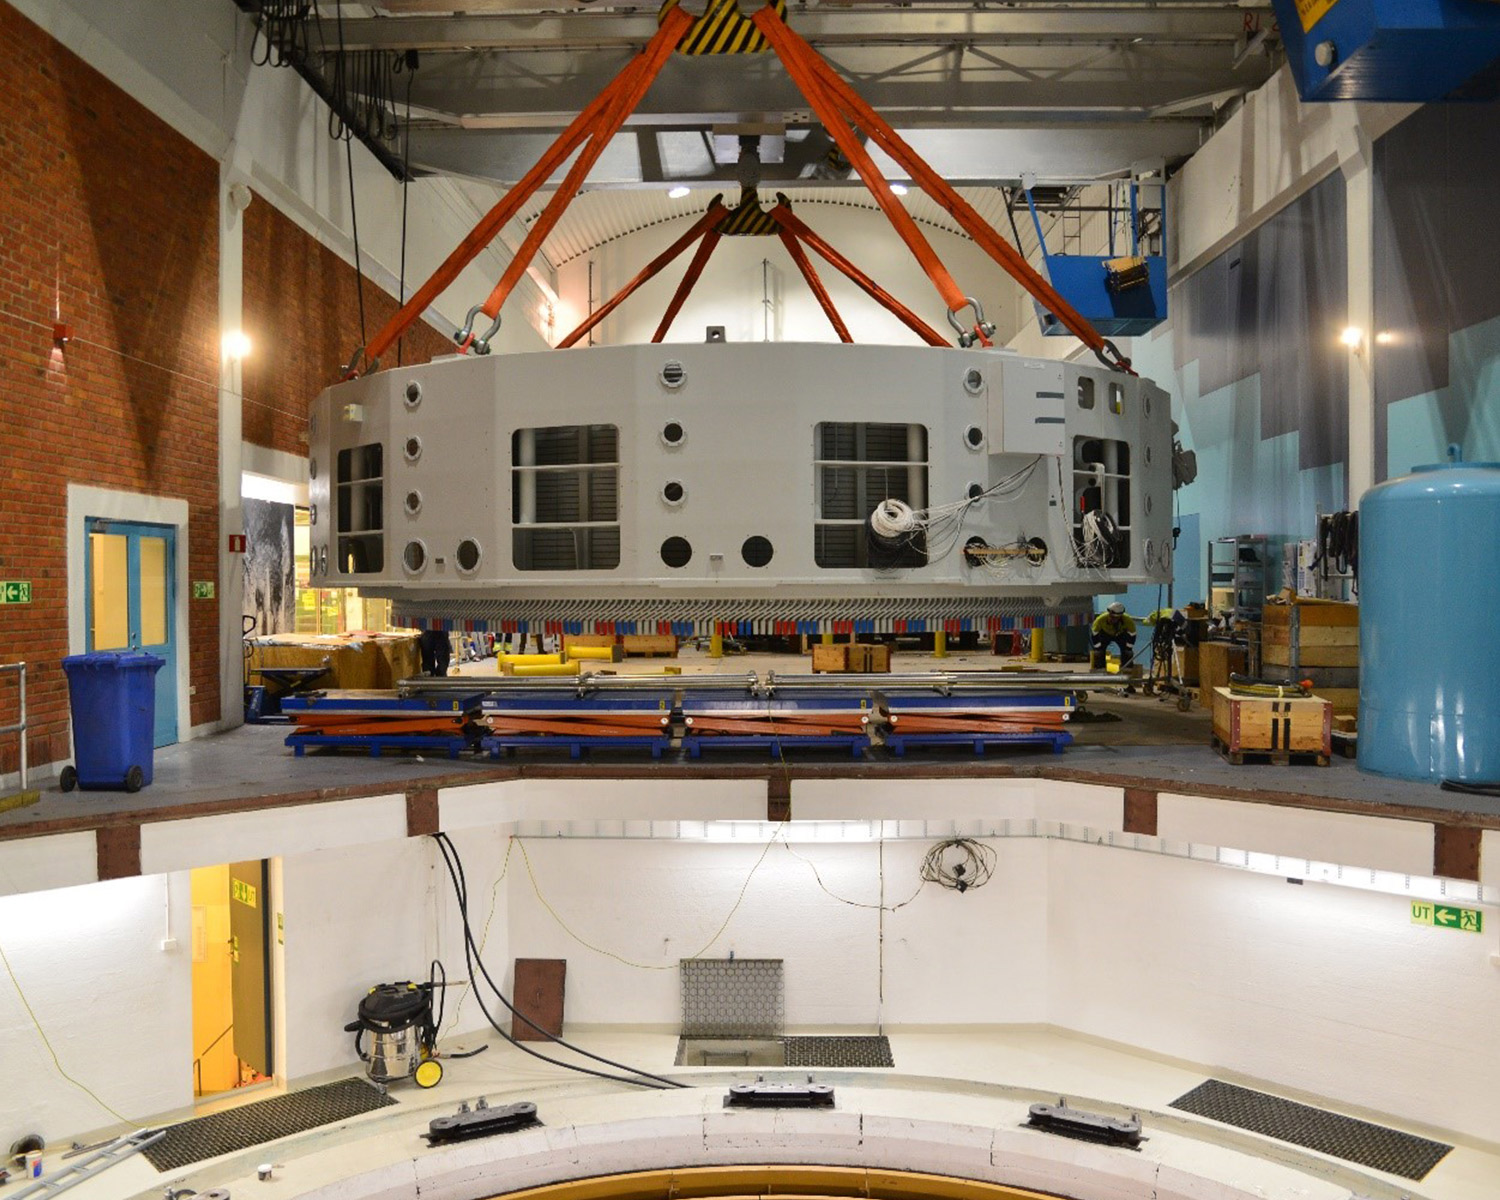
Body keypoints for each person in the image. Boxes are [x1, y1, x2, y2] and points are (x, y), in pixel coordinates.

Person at [1091, 601, 1137, 670]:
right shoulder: (1100, 619)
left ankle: (1126, 669)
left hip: (1120, 634)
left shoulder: (1127, 620)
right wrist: (1098, 648)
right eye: (1111, 617)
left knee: (1127, 653)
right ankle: (1100, 668)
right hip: (1105, 634)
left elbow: (1132, 634)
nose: (1112, 619)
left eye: (1115, 618)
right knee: (1099, 652)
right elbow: (1094, 633)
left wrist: (1128, 648)